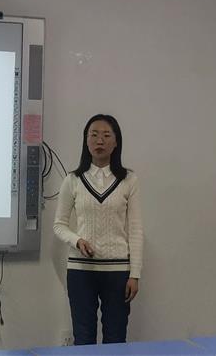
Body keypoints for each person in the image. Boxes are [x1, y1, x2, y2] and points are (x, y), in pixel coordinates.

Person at [53, 114, 143, 345]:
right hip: (81, 271)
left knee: (116, 338)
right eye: (93, 135)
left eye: (106, 135)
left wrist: (135, 274)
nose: (99, 140)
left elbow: (135, 229)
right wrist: (77, 240)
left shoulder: (129, 180)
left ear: (116, 142)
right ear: (86, 140)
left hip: (118, 271)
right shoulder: (73, 180)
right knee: (83, 339)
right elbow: (59, 225)